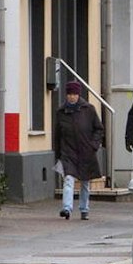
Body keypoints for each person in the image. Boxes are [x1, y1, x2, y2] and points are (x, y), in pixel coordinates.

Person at [52, 81, 102, 220]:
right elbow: (57, 134)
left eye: (74, 94)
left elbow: (99, 129)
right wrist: (58, 153)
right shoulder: (61, 112)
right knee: (68, 179)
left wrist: (93, 145)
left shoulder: (89, 110)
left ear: (78, 95)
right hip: (68, 152)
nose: (72, 97)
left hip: (86, 151)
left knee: (85, 182)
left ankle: (84, 209)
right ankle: (67, 208)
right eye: (69, 94)